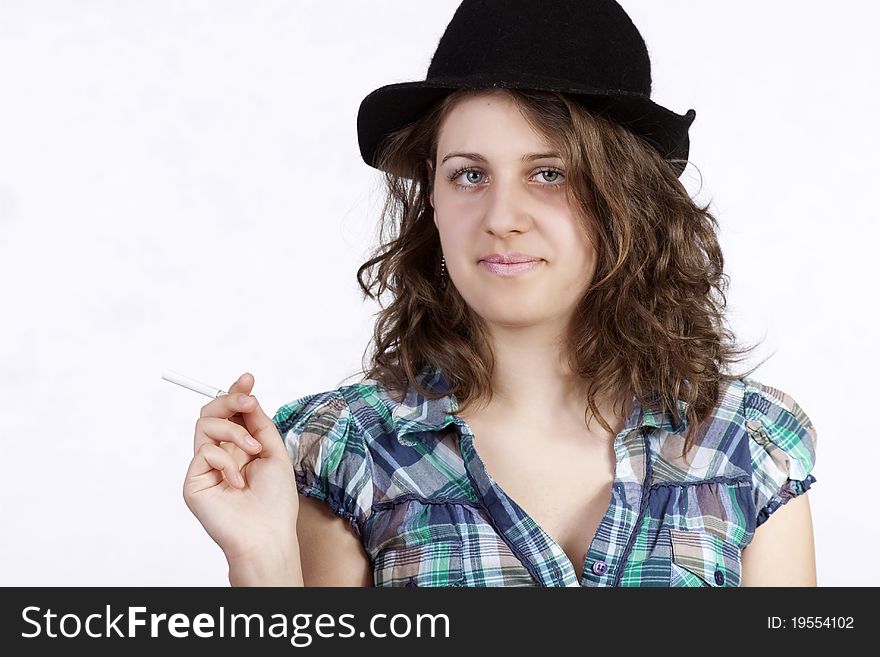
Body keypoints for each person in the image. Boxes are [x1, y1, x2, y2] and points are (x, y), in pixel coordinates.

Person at [183, 0, 818, 587]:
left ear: (625, 195)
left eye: (549, 174)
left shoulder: (745, 441)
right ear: (431, 193)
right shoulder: (342, 451)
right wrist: (260, 556)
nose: (501, 215)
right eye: (469, 174)